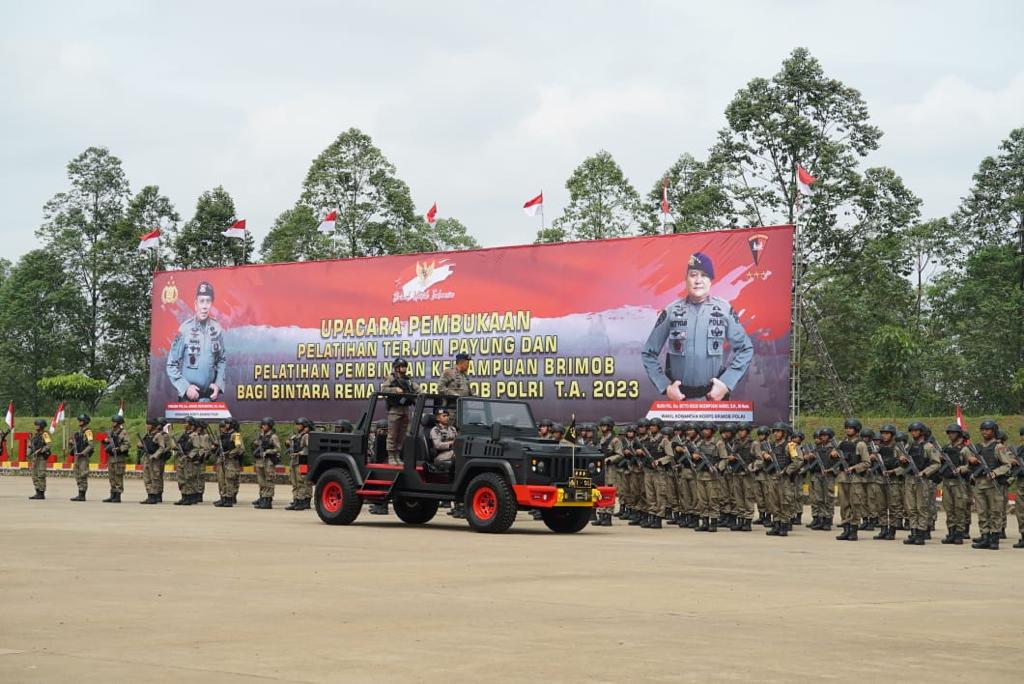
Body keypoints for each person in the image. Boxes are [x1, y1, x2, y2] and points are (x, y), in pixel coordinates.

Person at [641, 252, 754, 402]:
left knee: (713, 428)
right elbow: (648, 353)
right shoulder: (671, 311)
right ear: (686, 279)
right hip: (680, 400)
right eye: (693, 275)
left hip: (713, 399)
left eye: (704, 275)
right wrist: (666, 386)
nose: (698, 280)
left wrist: (726, 383)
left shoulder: (724, 309)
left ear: (711, 280)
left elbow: (745, 349)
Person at [167, 281, 227, 402]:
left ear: (211, 304)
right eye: (201, 301)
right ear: (195, 304)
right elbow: (171, 364)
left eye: (208, 301)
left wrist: (218, 384)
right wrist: (186, 388)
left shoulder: (217, 328)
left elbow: (222, 359)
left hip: (209, 399)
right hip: (188, 399)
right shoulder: (184, 329)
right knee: (188, 422)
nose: (204, 306)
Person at [967, 420, 1015, 550]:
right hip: (979, 483)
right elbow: (970, 466)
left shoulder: (998, 447)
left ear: (993, 431)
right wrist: (971, 461)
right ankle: (985, 537)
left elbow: (1007, 465)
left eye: (987, 430)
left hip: (993, 484)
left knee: (995, 512)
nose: (984, 432)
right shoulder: (978, 447)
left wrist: (995, 472)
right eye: (983, 429)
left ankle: (994, 539)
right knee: (982, 512)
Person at [899, 422, 942, 546]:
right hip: (910, 479)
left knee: (921, 507)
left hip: (923, 481)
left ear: (921, 432)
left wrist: (924, 472)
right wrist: (902, 460)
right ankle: (913, 532)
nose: (913, 433)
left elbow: (936, 463)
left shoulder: (928, 447)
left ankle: (921, 533)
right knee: (911, 508)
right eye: (912, 431)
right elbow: (903, 462)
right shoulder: (909, 446)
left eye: (916, 431)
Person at [833, 418, 870, 541]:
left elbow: (866, 462)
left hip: (855, 478)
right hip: (843, 477)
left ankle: (853, 529)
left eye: (851, 428)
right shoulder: (841, 443)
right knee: (844, 504)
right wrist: (833, 455)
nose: (848, 430)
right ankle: (846, 528)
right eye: (847, 428)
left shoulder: (861, 444)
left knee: (855, 504)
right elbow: (834, 456)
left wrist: (854, 468)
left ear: (856, 430)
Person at [381, 358, 419, 464]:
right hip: (395, 410)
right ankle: (391, 457)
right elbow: (383, 389)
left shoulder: (408, 380)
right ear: (397, 367)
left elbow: (416, 388)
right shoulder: (391, 378)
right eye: (402, 366)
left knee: (402, 434)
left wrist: (422, 393)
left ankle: (397, 455)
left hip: (405, 409)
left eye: (405, 366)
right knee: (393, 434)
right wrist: (394, 390)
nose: (404, 368)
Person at [938, 424, 971, 545]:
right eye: (949, 433)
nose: (951, 435)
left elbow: (971, 465)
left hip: (959, 483)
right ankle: (951, 532)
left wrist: (962, 469)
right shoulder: (946, 448)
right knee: (949, 508)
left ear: (959, 434)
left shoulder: (965, 449)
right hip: (947, 482)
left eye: (953, 433)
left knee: (959, 508)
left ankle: (959, 533)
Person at [594, 416, 622, 527]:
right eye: (601, 425)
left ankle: (608, 516)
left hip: (611, 469)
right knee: (600, 491)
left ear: (610, 427)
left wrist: (609, 459)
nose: (602, 427)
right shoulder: (601, 439)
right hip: (601, 469)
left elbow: (620, 454)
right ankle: (601, 515)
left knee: (609, 492)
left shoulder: (615, 440)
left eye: (604, 425)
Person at [806, 428, 836, 531]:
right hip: (818, 474)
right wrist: (810, 456)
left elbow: (839, 464)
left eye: (825, 435)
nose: (822, 437)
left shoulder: (834, 448)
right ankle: (821, 518)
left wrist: (831, 469)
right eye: (821, 435)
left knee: (828, 498)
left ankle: (828, 519)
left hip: (828, 475)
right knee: (819, 498)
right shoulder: (818, 448)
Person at [213, 419, 244, 507]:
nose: (225, 425)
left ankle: (229, 498)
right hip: (222, 460)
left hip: (230, 460)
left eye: (227, 424)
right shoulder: (224, 435)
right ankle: (223, 497)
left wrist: (229, 453)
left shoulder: (236, 435)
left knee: (229, 479)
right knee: (221, 479)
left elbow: (240, 449)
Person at [139, 417, 170, 504]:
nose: (147, 426)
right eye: (147, 424)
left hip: (155, 459)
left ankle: (155, 495)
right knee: (147, 477)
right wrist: (141, 445)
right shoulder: (147, 435)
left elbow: (162, 447)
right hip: (147, 458)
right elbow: (141, 444)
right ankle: (150, 495)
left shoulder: (158, 435)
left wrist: (155, 455)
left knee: (155, 477)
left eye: (149, 424)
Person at [252, 418, 280, 510]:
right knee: (261, 481)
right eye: (262, 425)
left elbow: (278, 449)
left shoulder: (273, 436)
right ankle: (263, 498)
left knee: (269, 480)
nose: (263, 426)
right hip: (260, 461)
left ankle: (267, 500)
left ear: (269, 426)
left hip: (268, 461)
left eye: (265, 425)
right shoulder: (260, 435)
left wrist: (268, 451)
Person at [286, 418, 313, 511]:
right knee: (294, 482)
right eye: (296, 424)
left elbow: (310, 449)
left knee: (301, 481)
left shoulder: (306, 436)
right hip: (294, 461)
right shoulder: (296, 436)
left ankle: (301, 501)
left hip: (302, 462)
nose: (297, 426)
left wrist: (299, 453)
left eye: (299, 424)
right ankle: (296, 500)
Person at [103, 415, 130, 503]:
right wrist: (106, 442)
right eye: (112, 422)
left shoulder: (123, 432)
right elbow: (107, 441)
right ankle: (112, 494)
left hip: (119, 458)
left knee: (118, 476)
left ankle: (118, 495)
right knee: (111, 477)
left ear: (118, 423)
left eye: (114, 422)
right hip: (111, 458)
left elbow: (127, 444)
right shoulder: (111, 432)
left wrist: (119, 449)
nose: (113, 423)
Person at [69, 414, 94, 501]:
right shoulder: (78, 432)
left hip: (83, 456)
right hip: (77, 456)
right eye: (79, 420)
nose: (80, 422)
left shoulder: (88, 432)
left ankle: (82, 495)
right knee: (77, 474)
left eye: (81, 420)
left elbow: (91, 445)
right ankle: (80, 493)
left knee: (83, 474)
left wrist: (83, 453)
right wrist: (71, 443)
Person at [28, 419, 51, 500]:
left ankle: (41, 492)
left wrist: (40, 450)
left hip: (41, 457)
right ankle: (37, 491)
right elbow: (31, 447)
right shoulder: (35, 435)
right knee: (34, 474)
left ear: (41, 426)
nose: (36, 426)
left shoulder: (45, 434)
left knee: (41, 474)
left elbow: (48, 445)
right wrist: (30, 447)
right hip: (35, 457)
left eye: (37, 425)